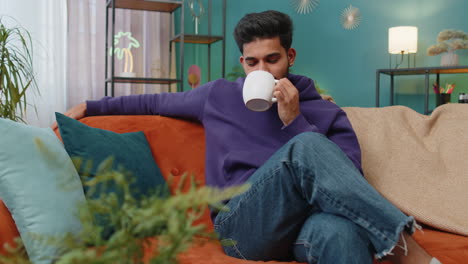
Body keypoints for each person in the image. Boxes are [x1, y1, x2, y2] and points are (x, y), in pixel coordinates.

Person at [55, 10, 440, 264]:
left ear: (290, 56)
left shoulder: (325, 111)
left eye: (272, 60)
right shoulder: (218, 95)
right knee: (304, 147)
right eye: (252, 62)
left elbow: (347, 184)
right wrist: (89, 105)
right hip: (240, 227)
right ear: (242, 63)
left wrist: (294, 119)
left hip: (302, 229)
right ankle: (413, 251)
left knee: (340, 233)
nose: (263, 70)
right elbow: (153, 100)